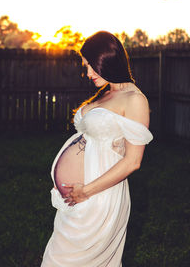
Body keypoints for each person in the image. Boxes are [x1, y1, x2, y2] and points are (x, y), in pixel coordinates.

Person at [41, 31, 153, 267]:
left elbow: (133, 161)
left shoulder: (135, 100)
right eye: (86, 66)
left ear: (110, 61)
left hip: (98, 196)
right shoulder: (108, 92)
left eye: (93, 67)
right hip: (79, 197)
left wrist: (86, 191)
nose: (88, 73)